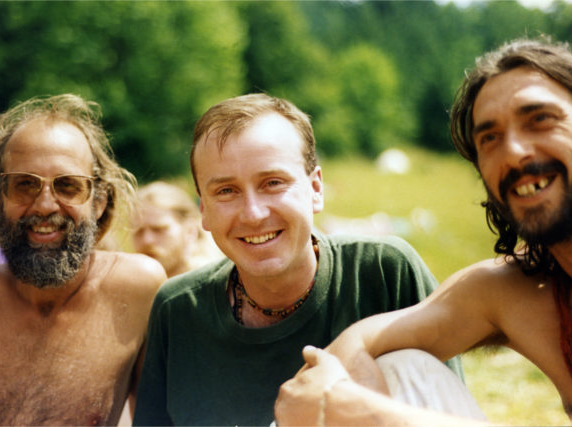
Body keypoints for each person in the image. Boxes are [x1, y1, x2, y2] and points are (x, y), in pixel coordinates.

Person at [275, 37, 572, 426]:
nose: (514, 152)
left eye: (540, 120)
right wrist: (353, 399)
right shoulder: (518, 291)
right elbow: (346, 350)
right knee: (401, 367)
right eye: (490, 138)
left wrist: (359, 411)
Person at [132, 93, 464, 426]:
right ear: (203, 210)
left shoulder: (384, 273)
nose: (253, 213)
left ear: (315, 188)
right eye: (226, 191)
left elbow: (447, 412)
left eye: (273, 183)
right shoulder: (176, 310)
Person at [0, 94, 167, 426]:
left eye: (68, 186)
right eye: (24, 185)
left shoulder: (136, 290)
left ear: (100, 201)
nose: (46, 205)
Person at [132, 181, 221, 277]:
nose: (147, 240)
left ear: (190, 231)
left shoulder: (215, 283)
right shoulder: (133, 286)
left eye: (158, 229)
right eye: (138, 231)